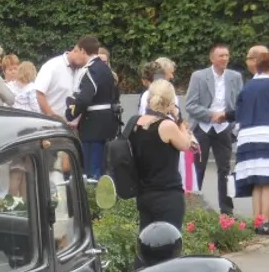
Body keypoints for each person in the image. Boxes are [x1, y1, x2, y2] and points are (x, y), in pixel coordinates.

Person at [130, 80, 196, 234]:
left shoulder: (135, 122)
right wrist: (178, 118)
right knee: (169, 240)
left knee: (147, 238)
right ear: (171, 102)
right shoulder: (167, 126)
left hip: (144, 193)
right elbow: (185, 144)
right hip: (167, 194)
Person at [184, 44, 244, 215]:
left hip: (224, 128)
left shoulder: (235, 77)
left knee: (225, 169)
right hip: (202, 127)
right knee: (198, 168)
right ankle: (194, 209)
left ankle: (227, 211)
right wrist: (211, 115)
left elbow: (240, 104)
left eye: (227, 55)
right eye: (221, 55)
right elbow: (190, 105)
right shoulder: (199, 76)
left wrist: (227, 118)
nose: (225, 58)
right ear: (212, 58)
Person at [65, 36, 119, 178]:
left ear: (83, 51)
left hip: (93, 126)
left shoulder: (91, 70)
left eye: (77, 51)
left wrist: (71, 112)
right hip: (106, 124)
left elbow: (84, 99)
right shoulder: (104, 68)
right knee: (102, 166)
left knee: (92, 170)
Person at [233, 51, 269, 234]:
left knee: (257, 182)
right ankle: (266, 223)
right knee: (268, 182)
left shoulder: (247, 86)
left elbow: (238, 113)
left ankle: (257, 221)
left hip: (247, 136)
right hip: (267, 134)